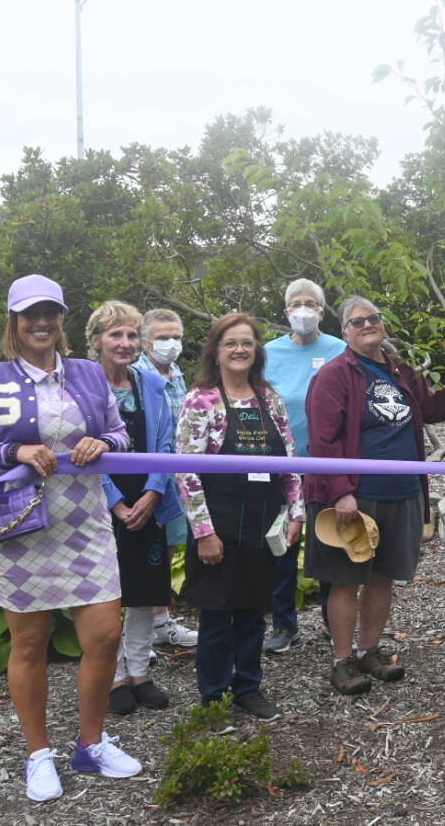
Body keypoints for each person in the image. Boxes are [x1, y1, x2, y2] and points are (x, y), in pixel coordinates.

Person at [0, 274, 141, 802]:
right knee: (29, 642)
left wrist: (101, 442)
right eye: (30, 313)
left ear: (61, 321)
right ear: (14, 322)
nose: (41, 322)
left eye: (50, 312)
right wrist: (14, 453)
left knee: (103, 634)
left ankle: (91, 744)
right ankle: (38, 754)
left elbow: (119, 433)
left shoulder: (88, 374)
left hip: (84, 522)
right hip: (21, 527)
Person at [304, 296, 445, 696]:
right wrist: (341, 493)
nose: (367, 325)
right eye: (357, 322)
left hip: (401, 492)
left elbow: (433, 408)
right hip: (354, 496)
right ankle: (342, 660)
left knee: (383, 575)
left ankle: (370, 651)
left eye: (373, 319)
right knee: (346, 579)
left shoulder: (398, 369)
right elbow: (323, 439)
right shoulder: (334, 375)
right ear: (345, 332)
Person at [176, 313, 304, 721]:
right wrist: (204, 533)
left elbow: (290, 461)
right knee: (217, 616)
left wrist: (296, 513)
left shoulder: (269, 398)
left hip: (264, 522)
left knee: (253, 612)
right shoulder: (201, 401)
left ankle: (249, 687)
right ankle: (213, 699)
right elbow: (186, 471)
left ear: (257, 351)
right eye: (230, 342)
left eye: (247, 343)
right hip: (220, 521)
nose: (239, 350)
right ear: (215, 350)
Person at [86, 301, 183, 714]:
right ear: (96, 341)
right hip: (98, 505)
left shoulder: (152, 385)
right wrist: (116, 503)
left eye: (130, 335)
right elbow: (82, 448)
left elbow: (166, 443)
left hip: (149, 499)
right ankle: (113, 677)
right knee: (106, 596)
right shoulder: (83, 387)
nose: (124, 343)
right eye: (115, 335)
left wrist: (152, 493)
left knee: (144, 592)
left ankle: (139, 672)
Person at [262, 279, 347, 654]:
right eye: (295, 303)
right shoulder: (268, 353)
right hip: (282, 464)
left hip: (328, 463)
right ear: (285, 312)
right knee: (282, 546)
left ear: (322, 311)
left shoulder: (340, 350)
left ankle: (333, 622)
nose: (302, 309)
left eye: (310, 303)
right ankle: (284, 624)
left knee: (329, 542)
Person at [133, 308, 198, 648]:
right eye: (162, 338)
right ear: (145, 342)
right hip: (148, 480)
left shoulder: (177, 374)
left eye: (176, 337)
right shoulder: (136, 375)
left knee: (168, 550)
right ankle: (136, 636)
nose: (170, 344)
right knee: (143, 555)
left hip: (177, 479)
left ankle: (160, 623)